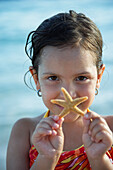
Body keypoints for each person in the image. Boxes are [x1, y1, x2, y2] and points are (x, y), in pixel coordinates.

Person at [7, 10, 113, 170]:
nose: (69, 93)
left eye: (81, 78)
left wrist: (99, 159)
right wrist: (46, 158)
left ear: (98, 78)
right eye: (53, 78)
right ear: (36, 79)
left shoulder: (109, 130)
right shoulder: (25, 132)